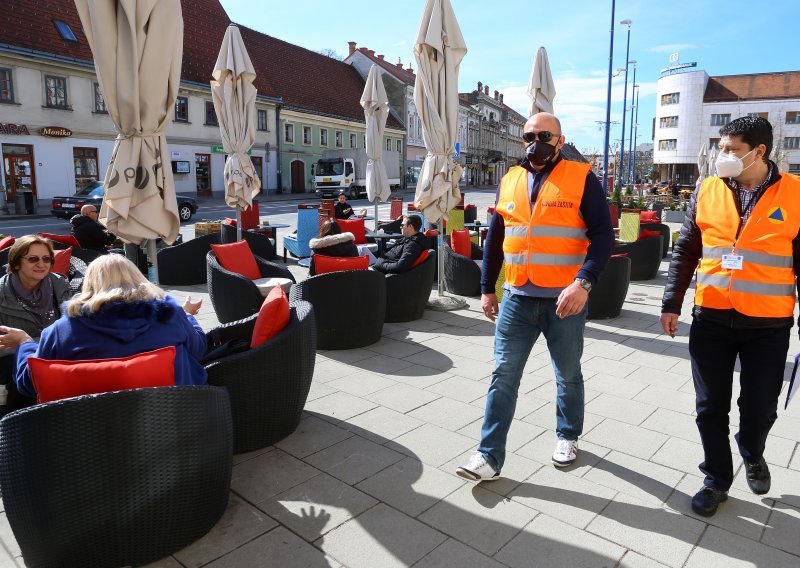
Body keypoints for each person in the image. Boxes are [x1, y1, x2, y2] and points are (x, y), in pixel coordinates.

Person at [457, 112, 613, 482]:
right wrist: (486, 289)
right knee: (503, 374)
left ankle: (568, 435)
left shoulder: (581, 178)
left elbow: (604, 237)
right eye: (528, 135)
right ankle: (489, 456)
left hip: (566, 300)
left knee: (568, 373)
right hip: (516, 297)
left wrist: (584, 283)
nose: (534, 141)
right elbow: (495, 239)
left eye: (544, 135)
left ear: (560, 140)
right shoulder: (509, 180)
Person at [660, 116, 800, 517]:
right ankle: (716, 478)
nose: (723, 157)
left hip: (768, 324)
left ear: (759, 151)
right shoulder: (707, 189)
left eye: (732, 150)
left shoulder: (795, 193)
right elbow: (686, 249)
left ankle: (752, 452)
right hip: (711, 317)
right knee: (709, 407)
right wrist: (671, 304)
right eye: (721, 148)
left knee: (760, 409)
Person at [14, 254, 208, 399]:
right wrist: (187, 315)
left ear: (89, 284)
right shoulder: (170, 315)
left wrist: (25, 343)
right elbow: (198, 349)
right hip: (173, 424)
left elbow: (30, 384)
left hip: (82, 438)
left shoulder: (61, 330)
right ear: (138, 279)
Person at [0, 236, 72, 408]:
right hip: (13, 361)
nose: (41, 264)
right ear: (16, 263)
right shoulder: (2, 293)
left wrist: (27, 341)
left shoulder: (59, 285)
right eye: (33, 259)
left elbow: (72, 328)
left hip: (52, 355)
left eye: (46, 259)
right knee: (29, 374)